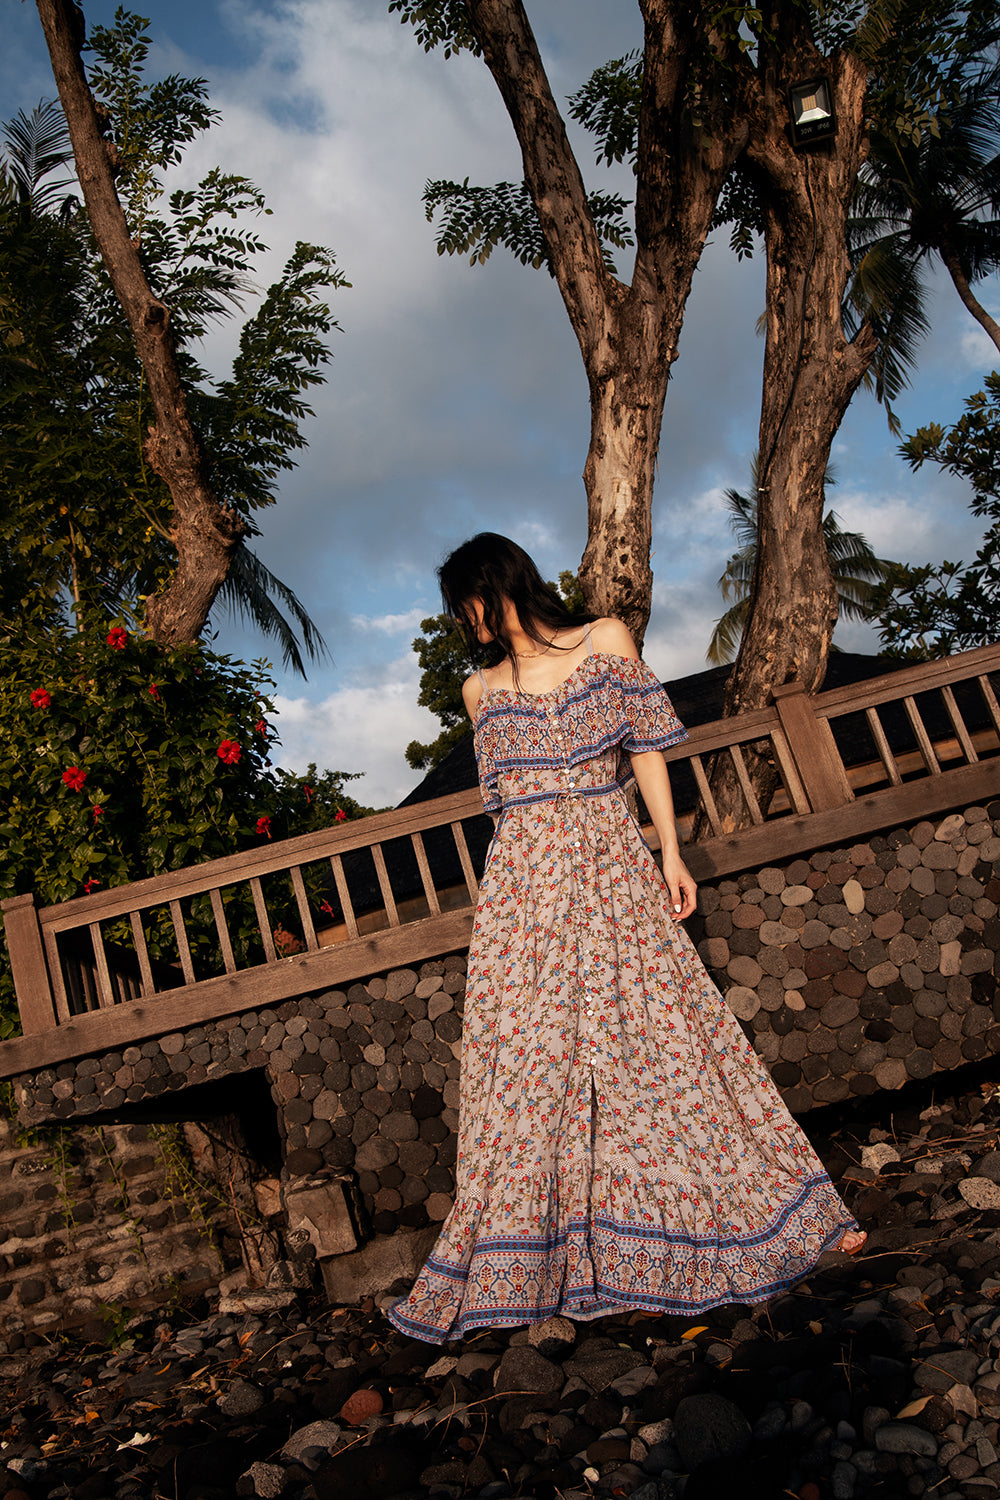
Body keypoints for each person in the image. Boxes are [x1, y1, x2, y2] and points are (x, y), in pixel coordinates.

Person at [388, 533, 863, 1344]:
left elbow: (646, 748)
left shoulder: (604, 638)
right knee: (535, 1069)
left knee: (664, 1038)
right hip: (524, 898)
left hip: (611, 864)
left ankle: (768, 1215)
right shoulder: (479, 690)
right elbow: (506, 812)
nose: (463, 622)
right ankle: (561, 1259)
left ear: (492, 586)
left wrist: (670, 851)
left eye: (464, 603)